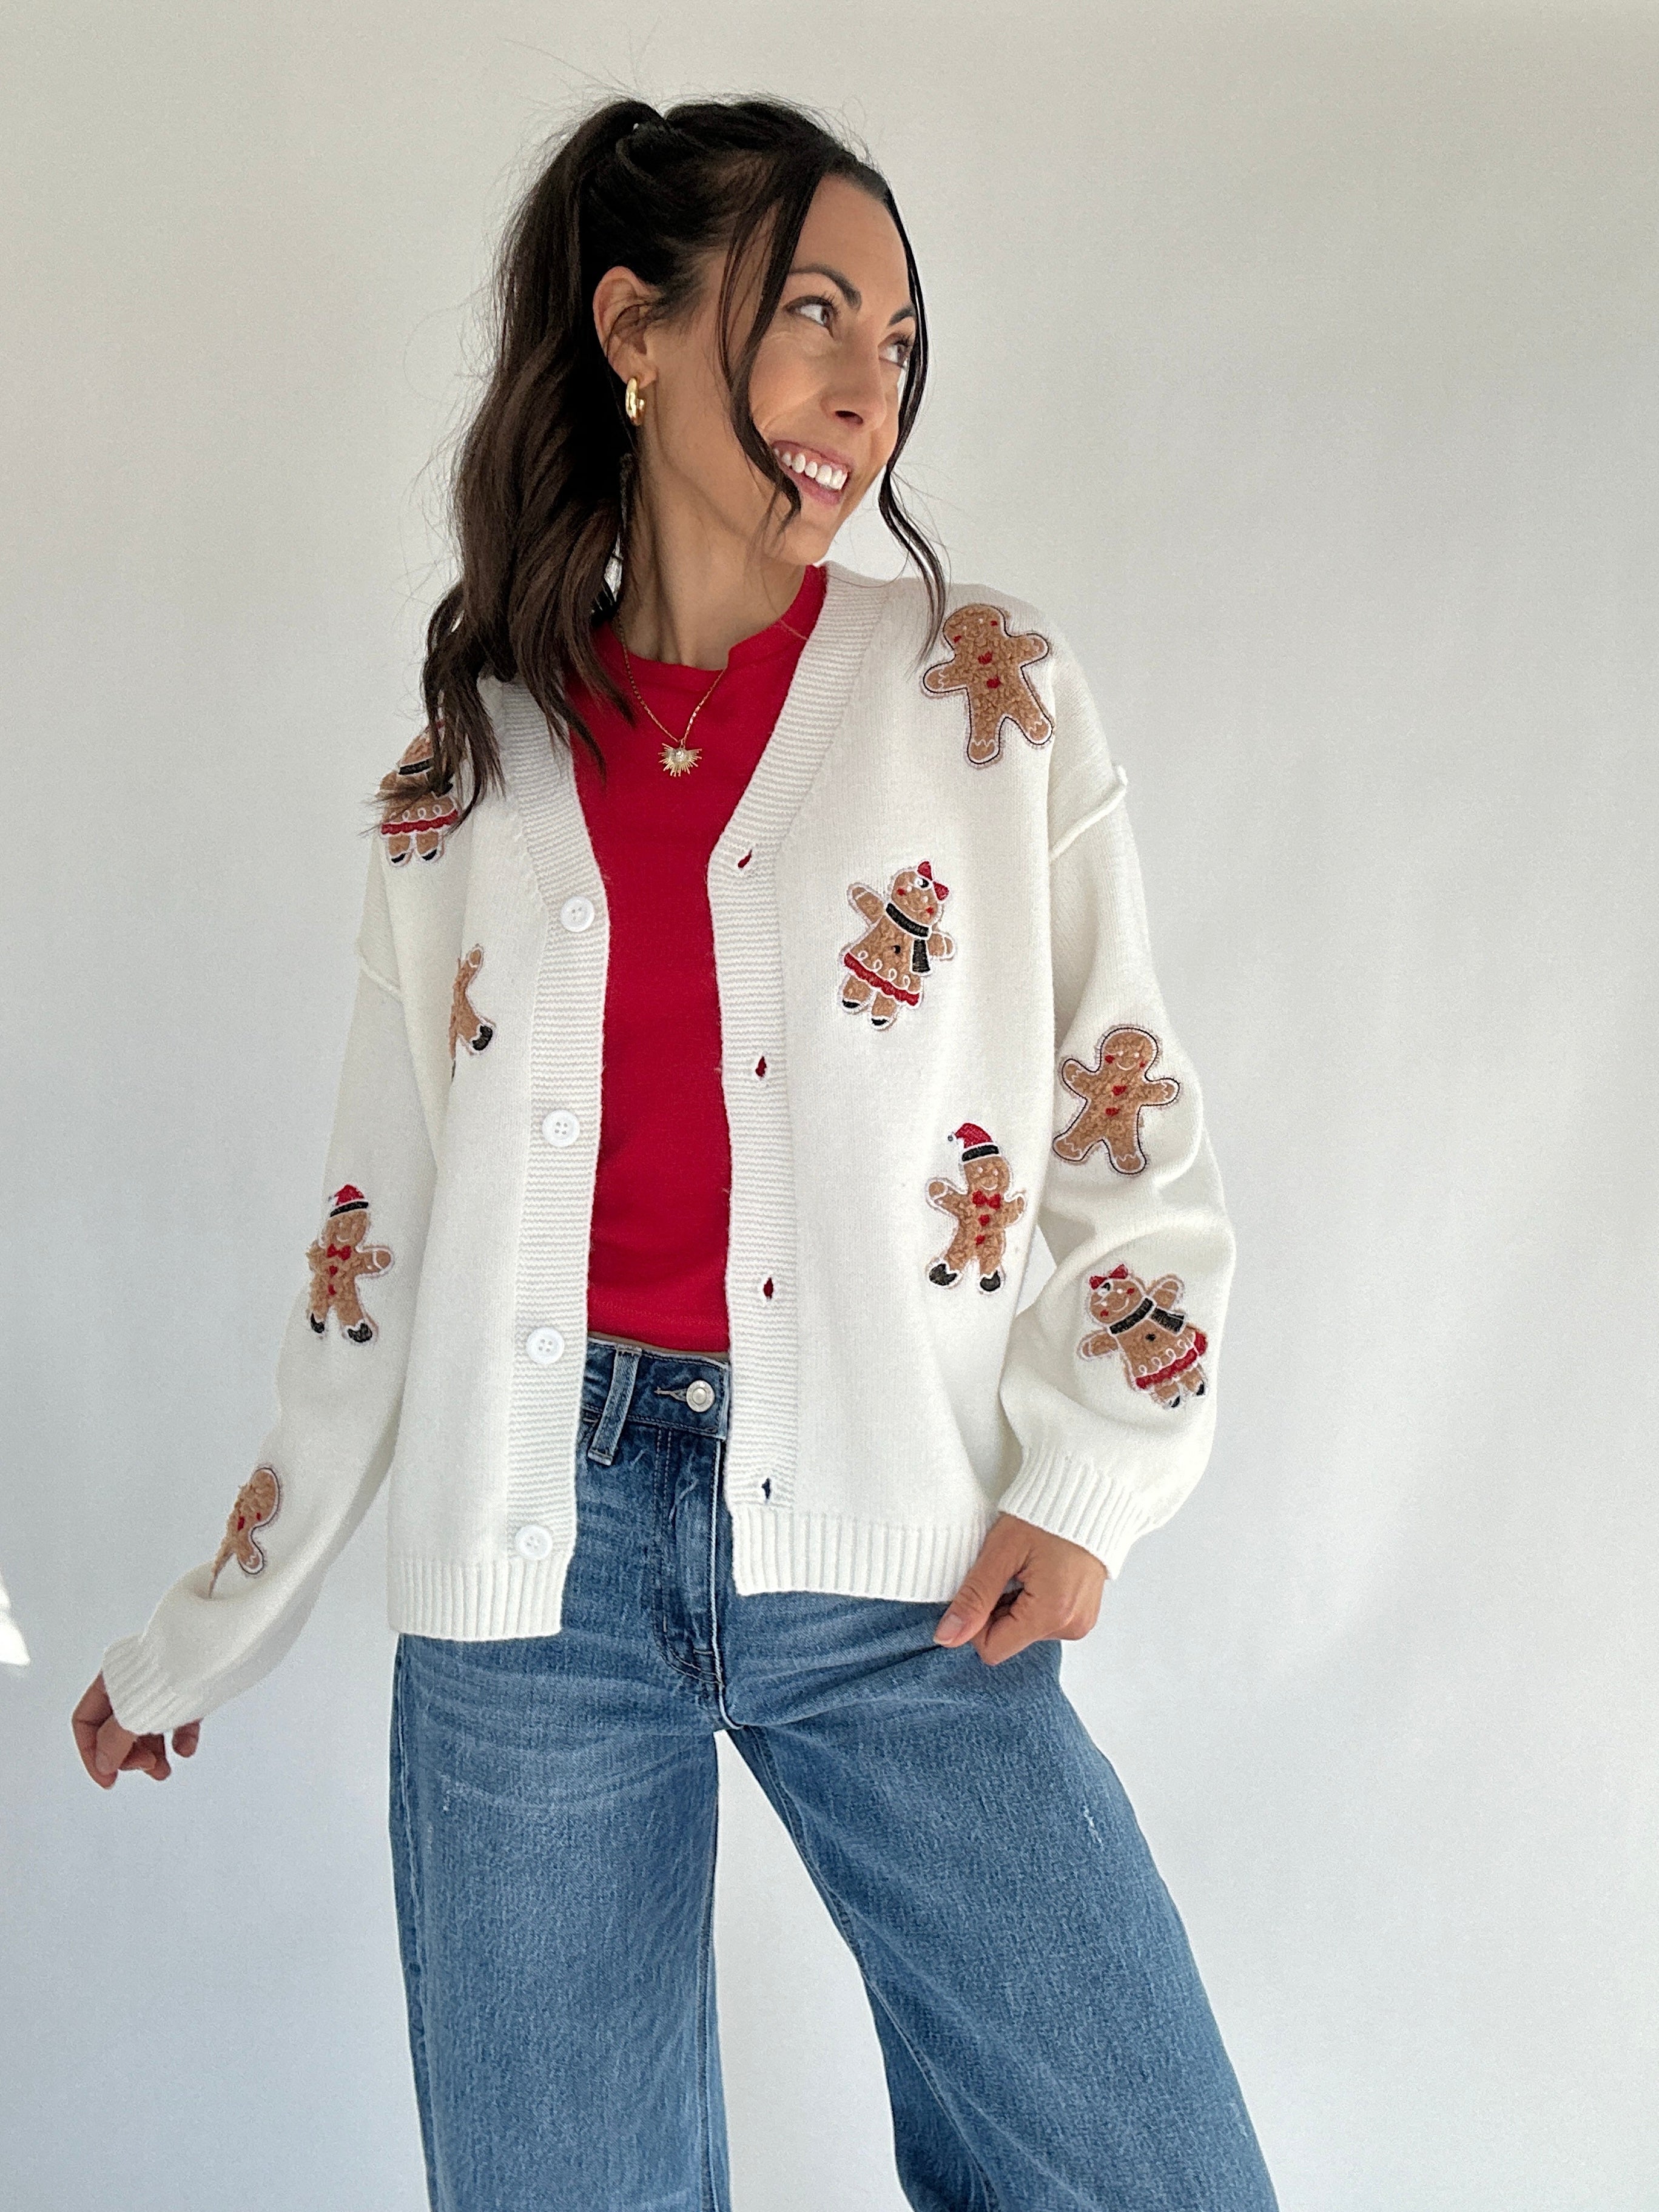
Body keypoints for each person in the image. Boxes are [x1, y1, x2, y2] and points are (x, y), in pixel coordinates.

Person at [75, 93, 1279, 2212]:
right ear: (636, 331)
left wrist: (1094, 1477)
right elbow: (374, 1241)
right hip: (532, 1566)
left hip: (912, 1568)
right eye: (813, 315)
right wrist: (210, 1624)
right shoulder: (470, 776)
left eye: (899, 344)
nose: (862, 394)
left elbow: (1127, 1107)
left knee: (1148, 2170)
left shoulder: (987, 700)